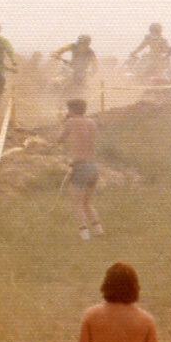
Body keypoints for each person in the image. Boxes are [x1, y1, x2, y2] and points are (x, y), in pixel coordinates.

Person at [57, 98, 103, 239]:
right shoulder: (92, 122)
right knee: (87, 202)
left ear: (71, 110)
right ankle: (98, 229)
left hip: (80, 165)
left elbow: (60, 139)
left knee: (77, 204)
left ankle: (84, 234)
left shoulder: (71, 122)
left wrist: (63, 124)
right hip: (93, 166)